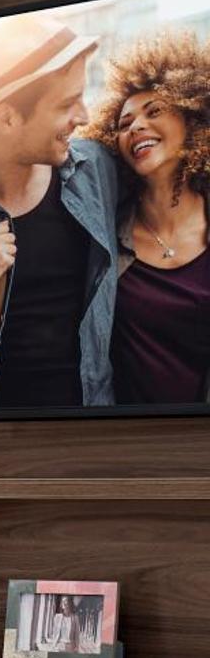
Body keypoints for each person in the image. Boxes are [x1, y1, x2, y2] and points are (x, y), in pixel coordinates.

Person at [0, 14, 121, 409]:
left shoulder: (96, 169)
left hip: (94, 434)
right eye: (67, 103)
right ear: (7, 116)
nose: (83, 116)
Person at [84, 29, 210, 406]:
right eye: (124, 124)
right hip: (128, 446)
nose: (136, 126)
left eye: (154, 112)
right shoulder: (101, 238)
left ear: (192, 121)